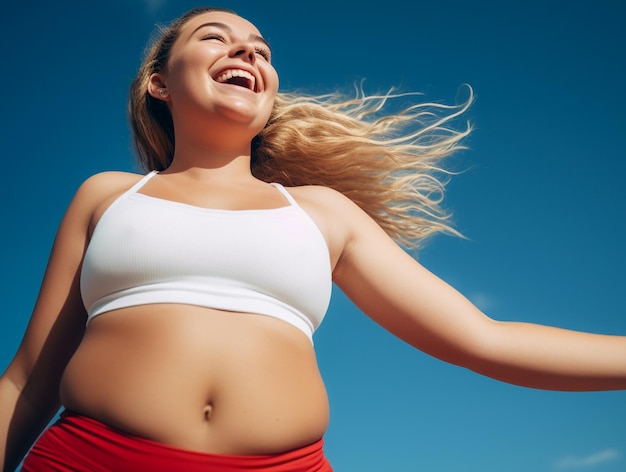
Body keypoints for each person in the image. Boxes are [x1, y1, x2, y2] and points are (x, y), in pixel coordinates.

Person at [1, 6, 625, 471]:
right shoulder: (108, 196)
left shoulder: (324, 213)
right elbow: (26, 382)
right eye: (215, 38)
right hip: (91, 458)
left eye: (262, 51)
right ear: (159, 82)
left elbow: (483, 340)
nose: (246, 53)